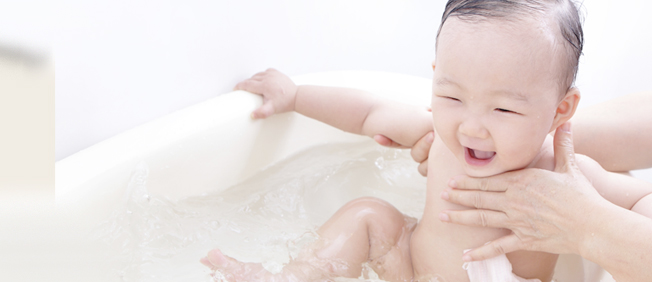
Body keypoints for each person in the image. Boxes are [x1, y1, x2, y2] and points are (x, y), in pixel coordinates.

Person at [201, 1, 652, 281]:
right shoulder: (436, 134)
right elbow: (367, 111)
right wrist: (296, 95)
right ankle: (293, 278)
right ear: (435, 79)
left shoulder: (562, 176)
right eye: (453, 96)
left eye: (504, 110)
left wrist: (591, 216)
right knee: (369, 215)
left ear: (560, 111)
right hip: (412, 271)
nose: (471, 127)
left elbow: (642, 199)